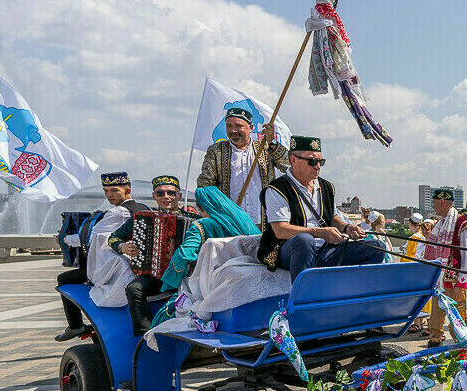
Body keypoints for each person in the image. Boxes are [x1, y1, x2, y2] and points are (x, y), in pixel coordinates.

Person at [256, 135, 388, 278]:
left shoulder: (327, 186)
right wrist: (321, 233)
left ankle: (357, 292)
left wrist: (346, 227)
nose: (317, 166)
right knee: (304, 240)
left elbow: (331, 217)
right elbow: (280, 230)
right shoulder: (277, 189)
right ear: (293, 160)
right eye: (312, 161)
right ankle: (305, 296)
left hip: (325, 248)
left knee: (376, 247)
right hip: (289, 249)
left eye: (320, 161)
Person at [55, 172, 147, 341]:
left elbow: (90, 237)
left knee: (64, 279)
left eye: (114, 190)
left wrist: (64, 239)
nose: (109, 195)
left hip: (118, 268)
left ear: (127, 189)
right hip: (139, 266)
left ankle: (76, 326)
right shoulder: (144, 208)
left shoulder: (117, 212)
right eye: (106, 191)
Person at [152, 187, 261, 325]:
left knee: (166, 312)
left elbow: (185, 254)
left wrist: (170, 279)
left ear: (199, 207)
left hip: (210, 282)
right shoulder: (244, 221)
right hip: (245, 278)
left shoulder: (201, 225)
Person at [107, 175, 192, 335]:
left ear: (179, 196)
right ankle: (144, 334)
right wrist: (122, 247)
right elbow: (113, 238)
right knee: (133, 289)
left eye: (171, 193)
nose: (166, 197)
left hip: (186, 275)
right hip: (155, 274)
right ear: (154, 196)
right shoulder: (142, 218)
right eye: (160, 193)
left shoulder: (194, 220)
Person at [196, 108, 289, 227]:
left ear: (251, 128)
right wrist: (216, 213)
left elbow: (288, 165)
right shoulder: (216, 150)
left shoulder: (265, 147)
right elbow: (205, 185)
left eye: (238, 126)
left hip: (263, 221)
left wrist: (273, 143)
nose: (233, 130)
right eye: (229, 126)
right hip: (231, 222)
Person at [424, 189, 467, 345]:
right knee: (435, 319)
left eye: (434, 202)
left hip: (455, 282)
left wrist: (462, 283)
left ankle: (462, 351)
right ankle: (434, 344)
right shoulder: (440, 224)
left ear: (442, 202)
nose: (433, 206)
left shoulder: (462, 225)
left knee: (457, 320)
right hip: (439, 280)